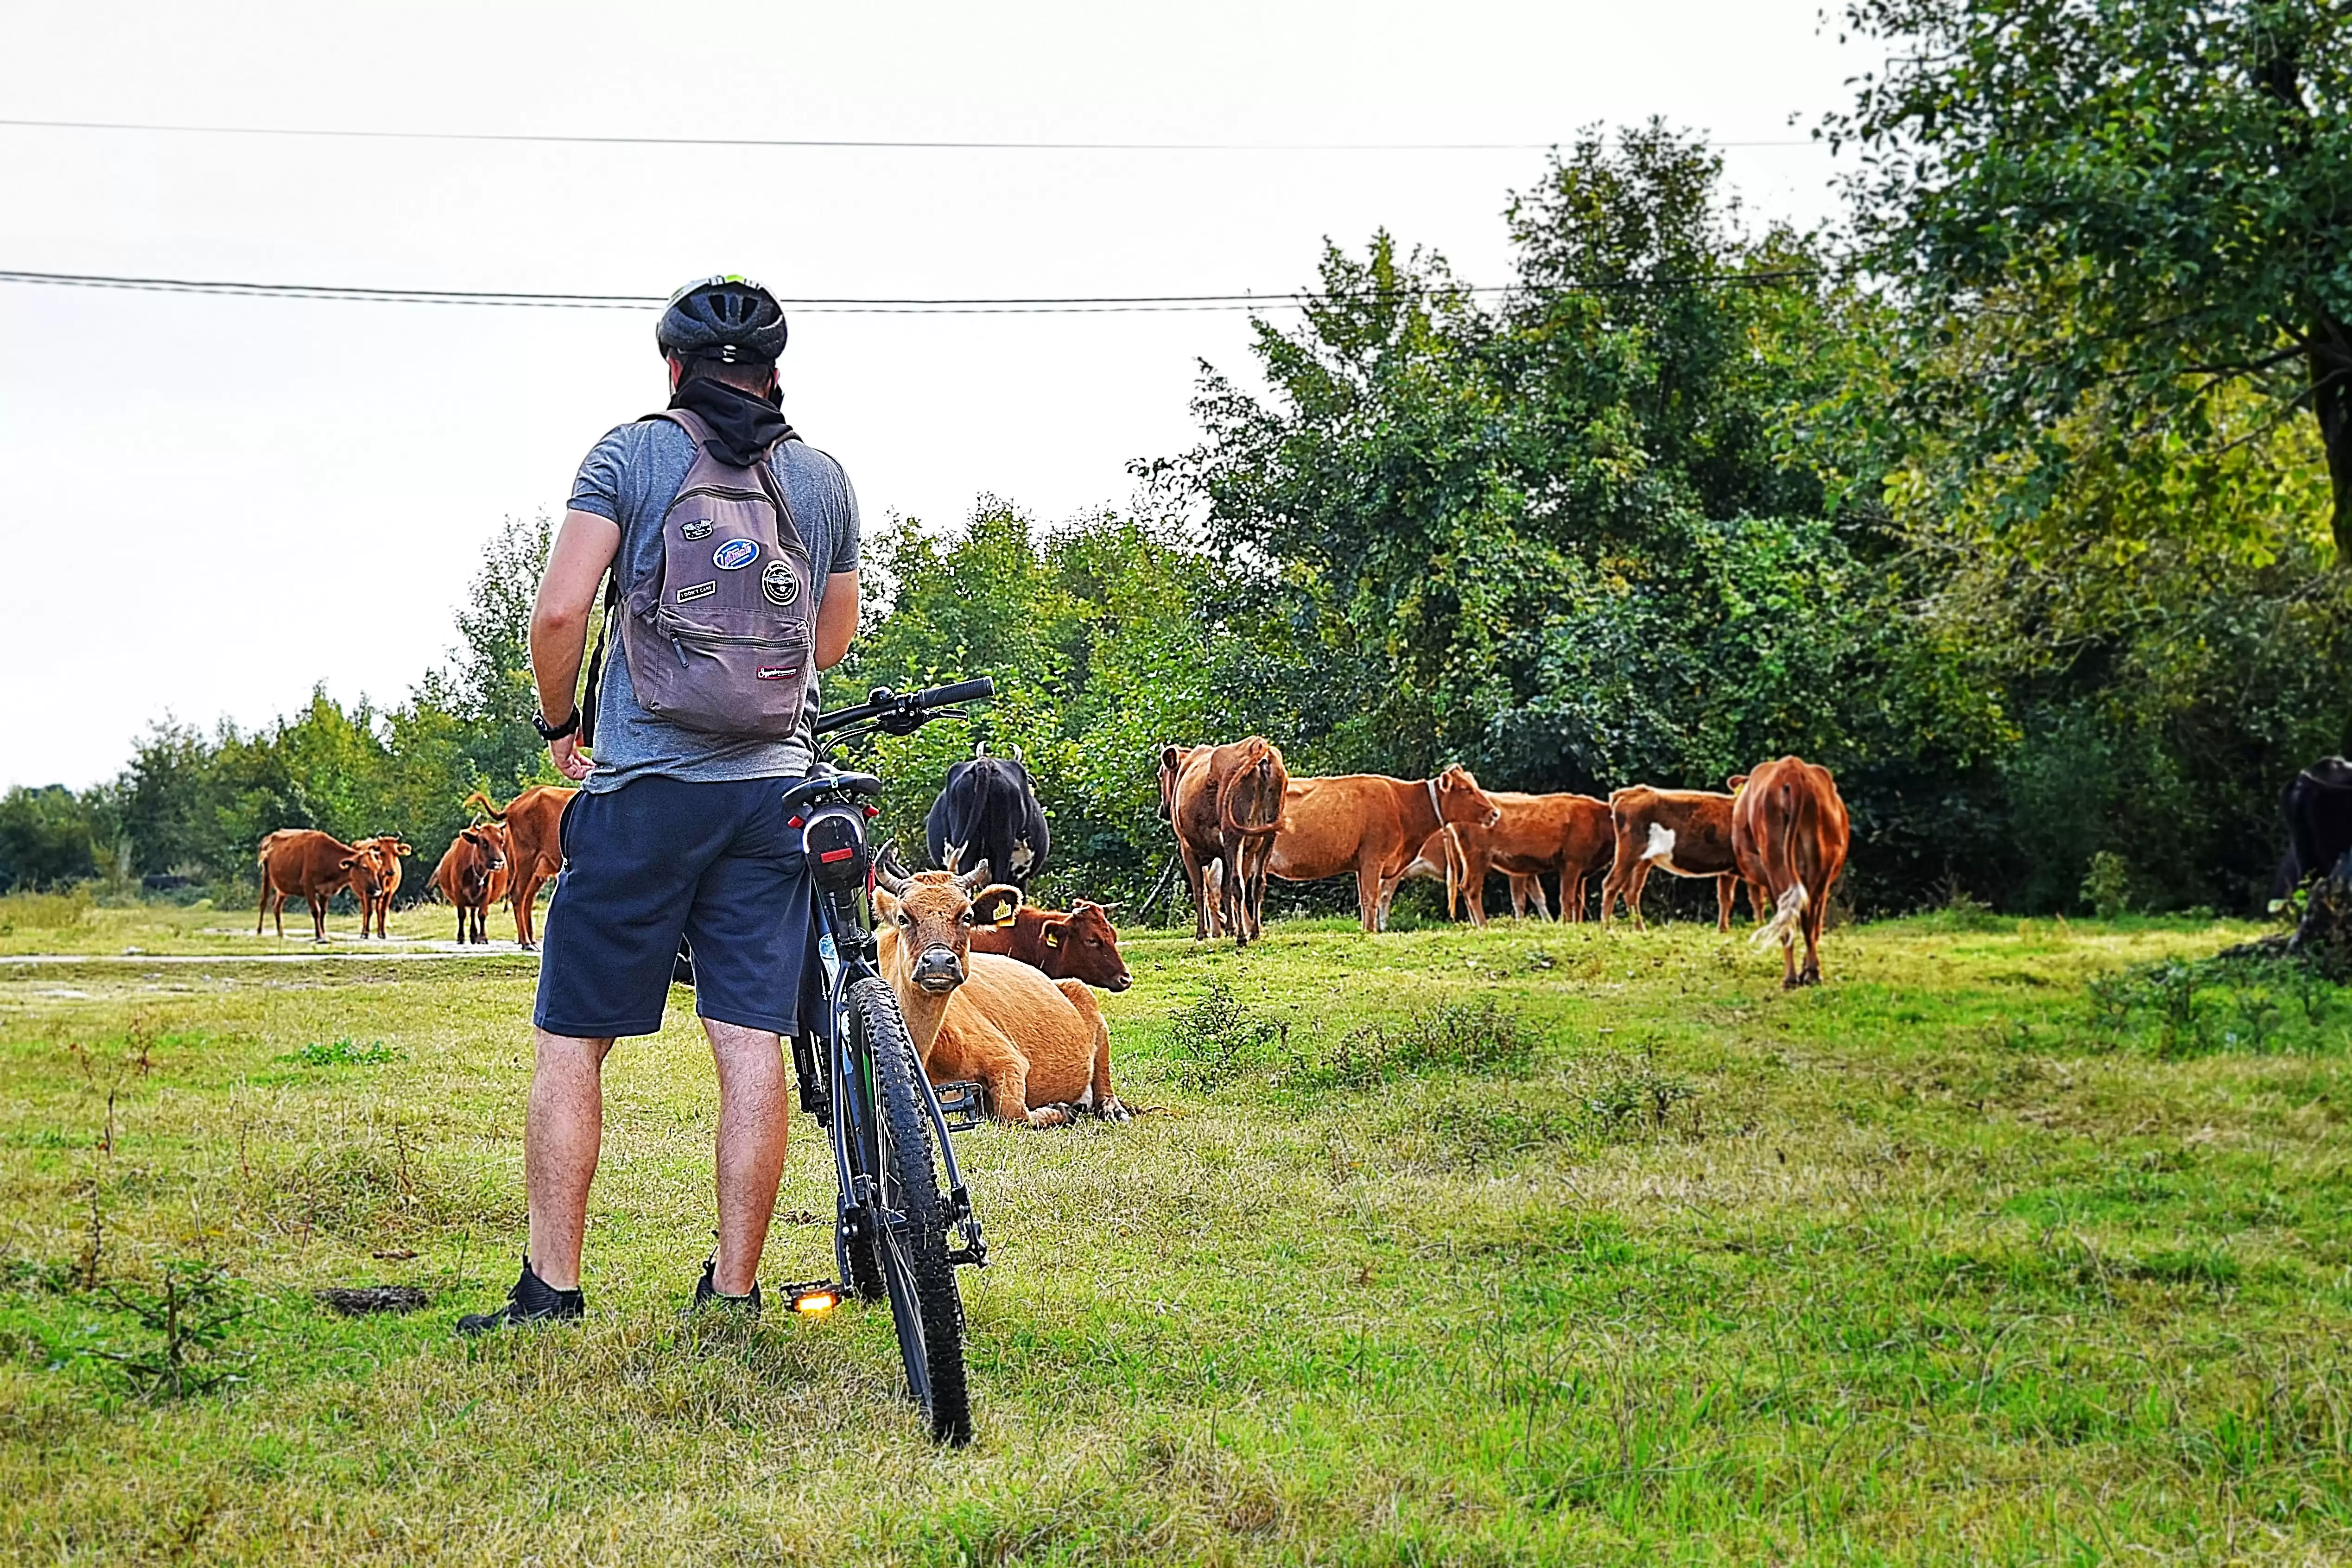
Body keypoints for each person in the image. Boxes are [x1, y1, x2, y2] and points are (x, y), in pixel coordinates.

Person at [458, 276, 861, 1332]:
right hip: (774, 791)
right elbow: (828, 641)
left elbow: (557, 612)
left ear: (671, 368)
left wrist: (560, 726)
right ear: (776, 373)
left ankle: (552, 1289)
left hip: (642, 790)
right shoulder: (819, 479)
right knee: (748, 1042)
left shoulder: (631, 455)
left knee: (572, 1041)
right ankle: (732, 1293)